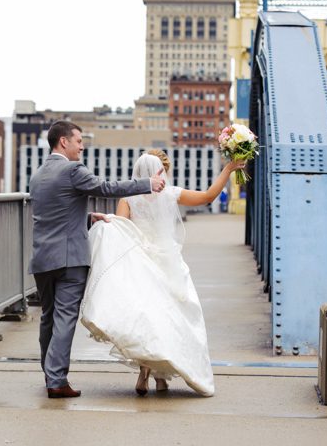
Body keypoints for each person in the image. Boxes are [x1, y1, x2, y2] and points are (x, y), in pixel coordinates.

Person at [78, 153, 245, 397]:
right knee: (172, 318)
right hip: (170, 264)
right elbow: (209, 196)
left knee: (147, 319)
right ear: (161, 171)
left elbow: (121, 231)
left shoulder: (128, 199)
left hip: (142, 263)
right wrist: (228, 169)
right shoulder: (172, 194)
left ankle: (146, 370)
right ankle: (161, 377)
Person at [28, 121, 166, 399]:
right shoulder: (72, 169)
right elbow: (105, 187)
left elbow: (57, 211)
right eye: (78, 140)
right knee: (65, 317)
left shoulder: (39, 174)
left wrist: (89, 217)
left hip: (42, 256)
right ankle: (57, 381)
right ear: (63, 142)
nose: (82, 145)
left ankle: (49, 373)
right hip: (70, 259)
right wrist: (146, 184)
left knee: (48, 317)